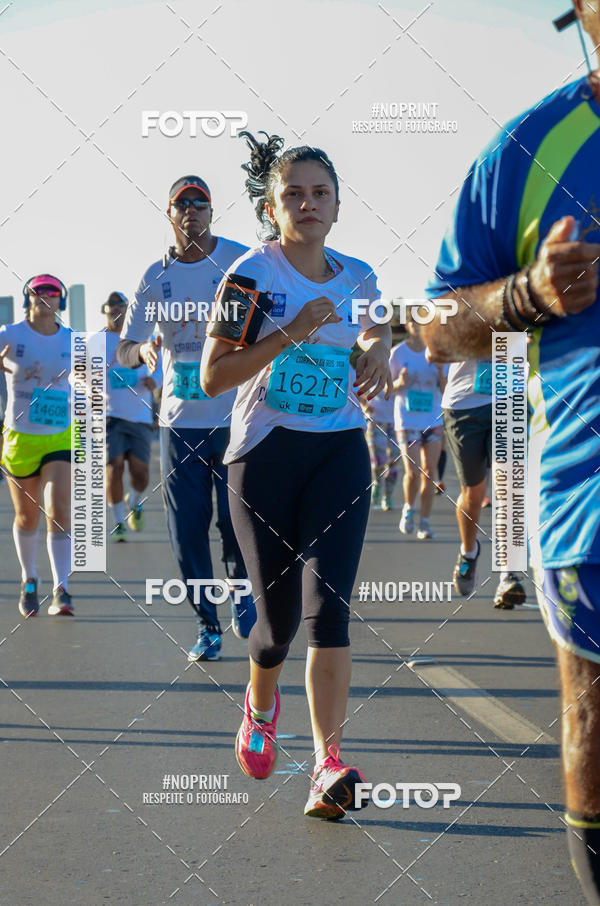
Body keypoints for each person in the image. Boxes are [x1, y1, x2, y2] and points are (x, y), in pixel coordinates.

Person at [421, 1, 600, 898]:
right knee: (592, 722)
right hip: (589, 493)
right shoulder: (530, 149)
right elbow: (435, 325)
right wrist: (524, 297)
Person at [201, 132, 392, 819]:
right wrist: (291, 334)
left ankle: (326, 765)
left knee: (329, 613)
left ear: (337, 206)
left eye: (320, 193)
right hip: (264, 457)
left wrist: (376, 352)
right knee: (276, 625)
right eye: (294, 195)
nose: (307, 204)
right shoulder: (251, 276)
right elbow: (213, 375)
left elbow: (376, 328)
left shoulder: (358, 275)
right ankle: (259, 701)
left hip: (340, 451)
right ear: (272, 208)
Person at [117, 175, 256, 659]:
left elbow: (268, 322)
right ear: (170, 215)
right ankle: (207, 626)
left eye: (201, 202)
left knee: (237, 522)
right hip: (180, 423)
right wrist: (145, 353)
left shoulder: (240, 261)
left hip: (239, 417)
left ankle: (243, 597)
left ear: (213, 212)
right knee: (187, 530)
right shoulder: (155, 276)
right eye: (182, 203)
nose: (192, 210)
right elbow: (124, 348)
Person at [0, 275, 73, 616]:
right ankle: (29, 578)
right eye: (38, 291)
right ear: (27, 297)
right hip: (20, 436)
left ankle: (62, 589)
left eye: (52, 291)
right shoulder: (10, 335)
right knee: (27, 517)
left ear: (61, 300)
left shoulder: (73, 340)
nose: (45, 296)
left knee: (59, 512)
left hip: (60, 434)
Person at [440, 359, 527, 608]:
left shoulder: (525, 316)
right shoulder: (455, 315)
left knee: (509, 488)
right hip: (464, 406)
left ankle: (508, 574)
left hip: (511, 399)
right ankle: (469, 551)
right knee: (473, 495)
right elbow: (434, 353)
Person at [103, 291, 161, 541]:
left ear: (128, 310)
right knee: (112, 468)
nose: (116, 310)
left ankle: (135, 500)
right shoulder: (96, 341)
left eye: (120, 306)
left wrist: (154, 381)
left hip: (139, 415)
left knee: (141, 473)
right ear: (105, 311)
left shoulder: (143, 339)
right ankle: (118, 523)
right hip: (109, 414)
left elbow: (162, 369)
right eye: (111, 306)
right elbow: (76, 374)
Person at [390, 309, 445, 540]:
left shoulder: (437, 352)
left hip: (432, 419)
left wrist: (441, 372)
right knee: (412, 472)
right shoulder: (397, 354)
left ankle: (425, 522)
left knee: (429, 472)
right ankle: (408, 509)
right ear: (408, 325)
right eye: (415, 321)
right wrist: (399, 382)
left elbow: (445, 389)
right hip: (407, 420)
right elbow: (386, 389)